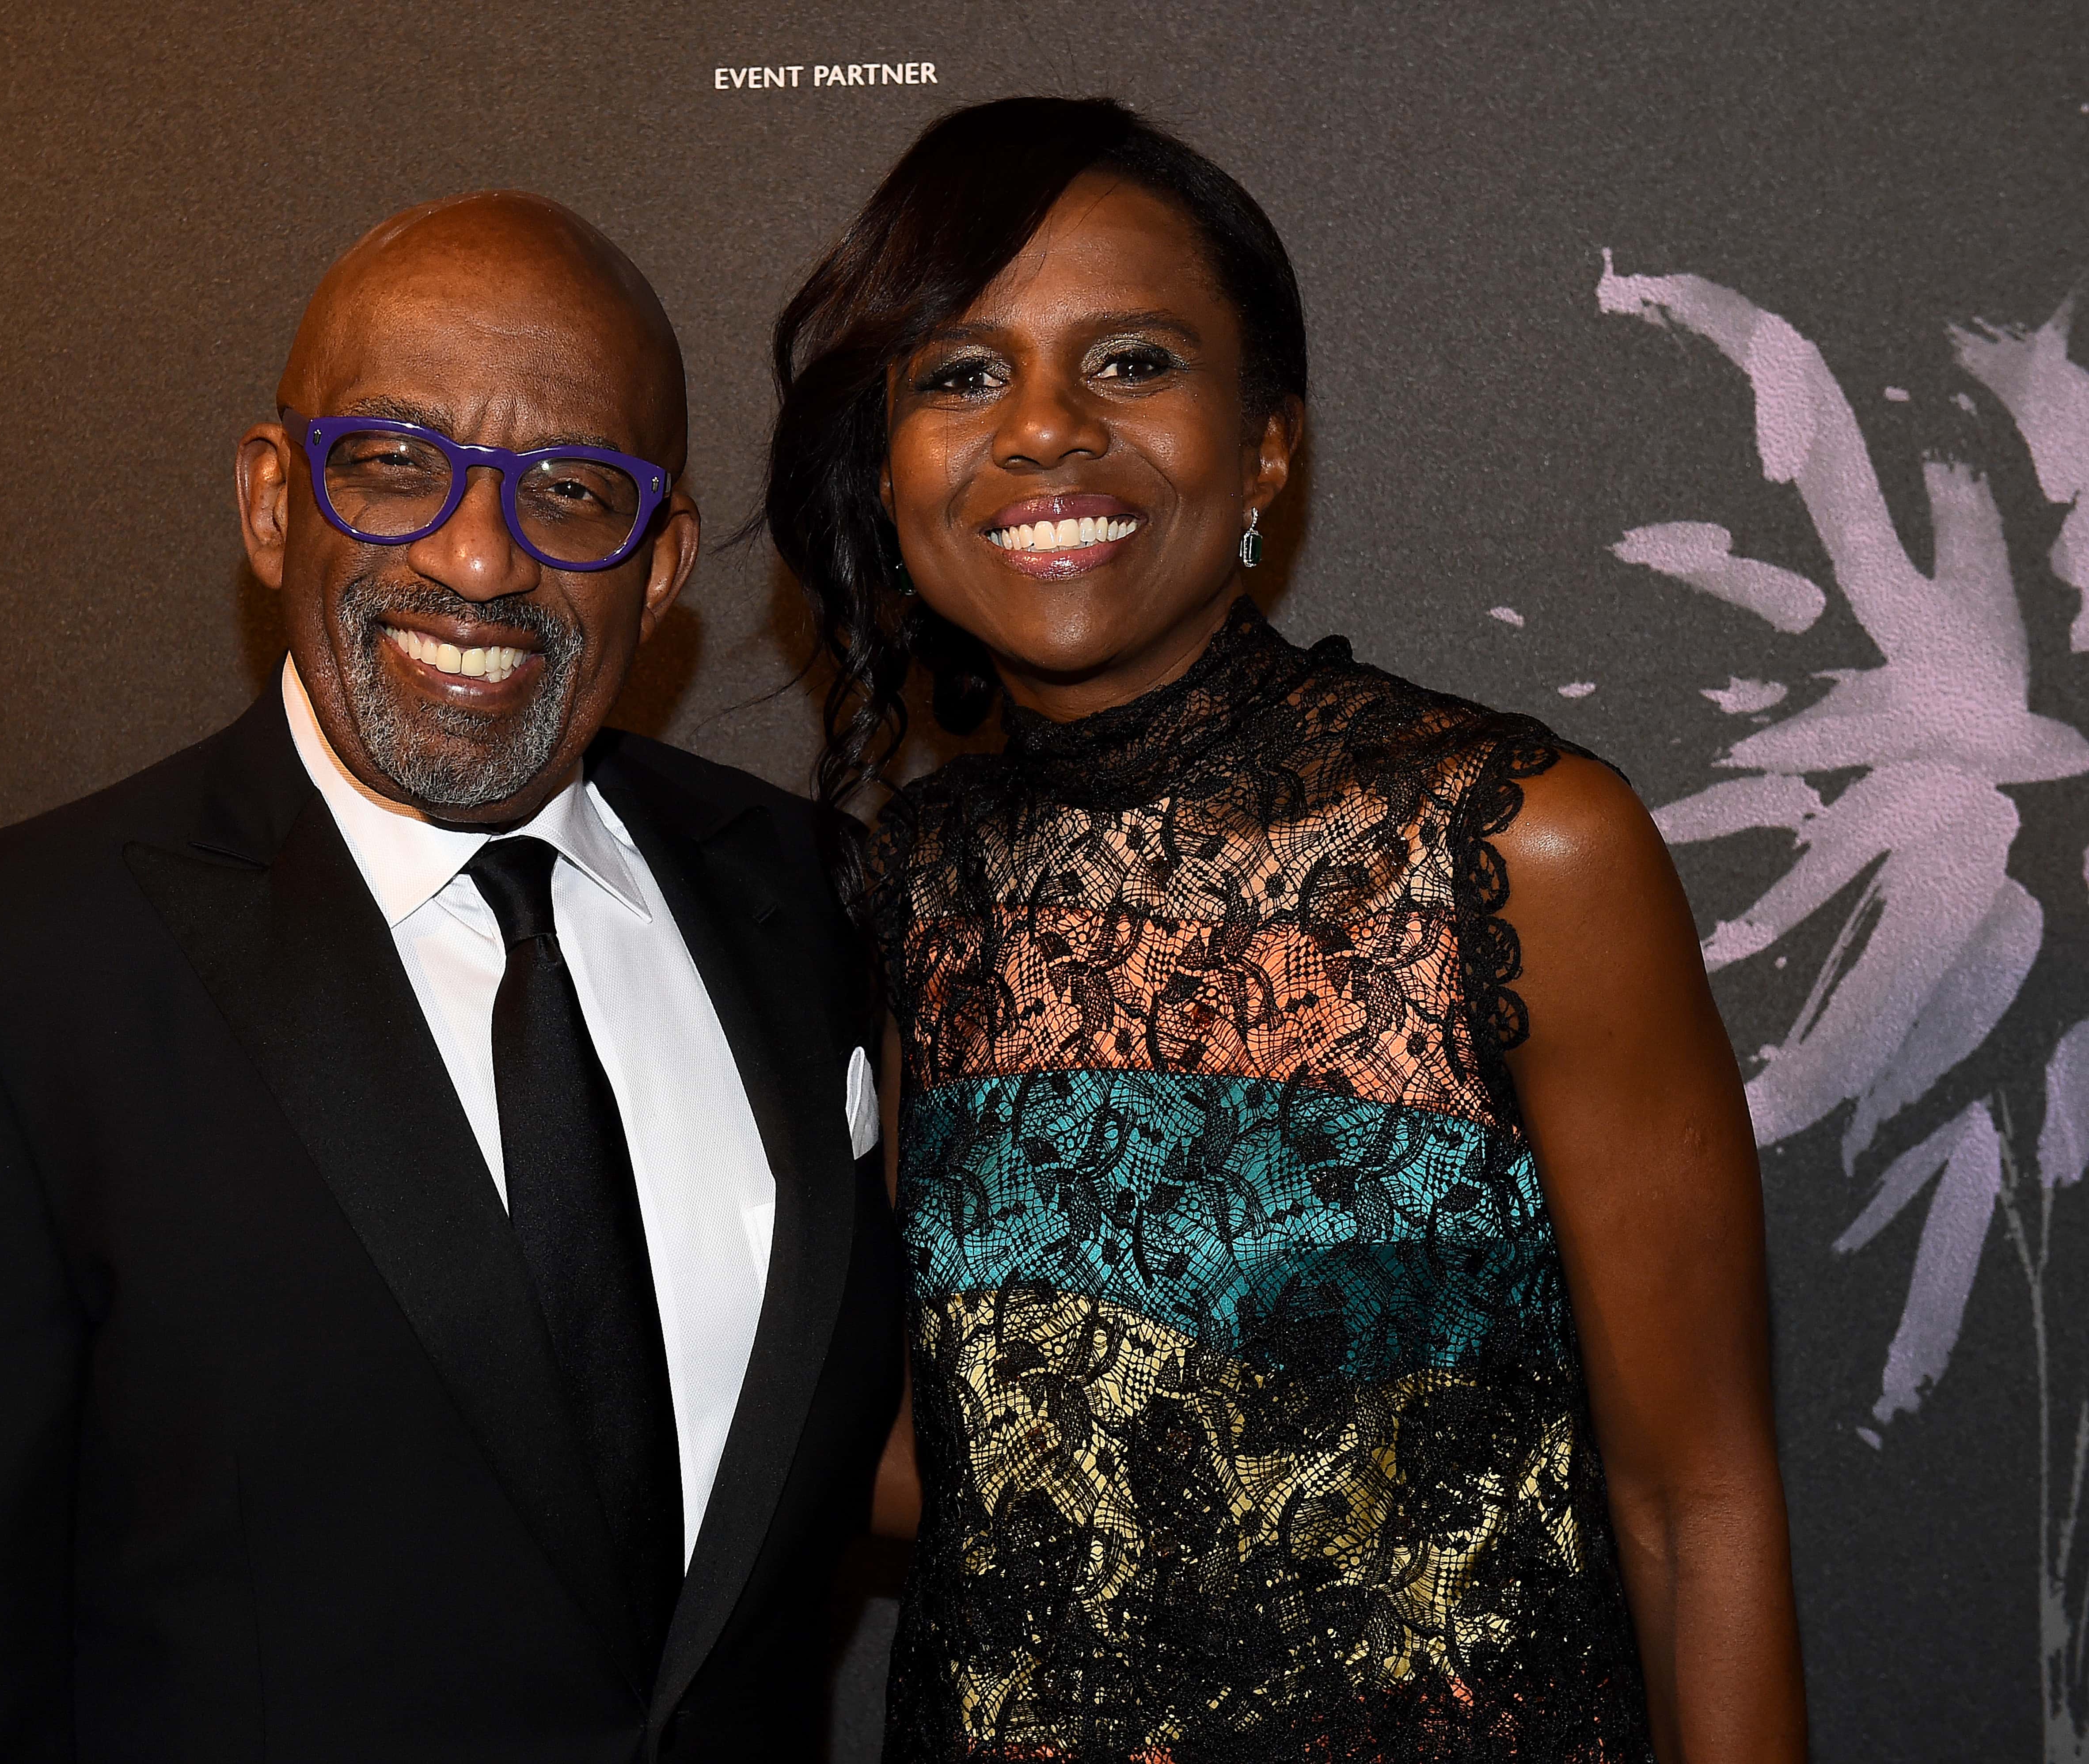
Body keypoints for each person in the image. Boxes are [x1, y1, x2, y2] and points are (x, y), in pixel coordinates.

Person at [0, 191, 901, 1762]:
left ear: (663, 560)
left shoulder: (810, 897)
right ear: (273, 499)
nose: (479, 557)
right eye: (395, 463)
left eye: (572, 491)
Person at [764, 98, 1806, 1762]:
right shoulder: (913, 888)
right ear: (888, 477)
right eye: (960, 374)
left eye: (1131, 362)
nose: (1043, 428)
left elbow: (1699, 1504)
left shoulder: (1515, 843)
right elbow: (925, 1455)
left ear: (1265, 447)